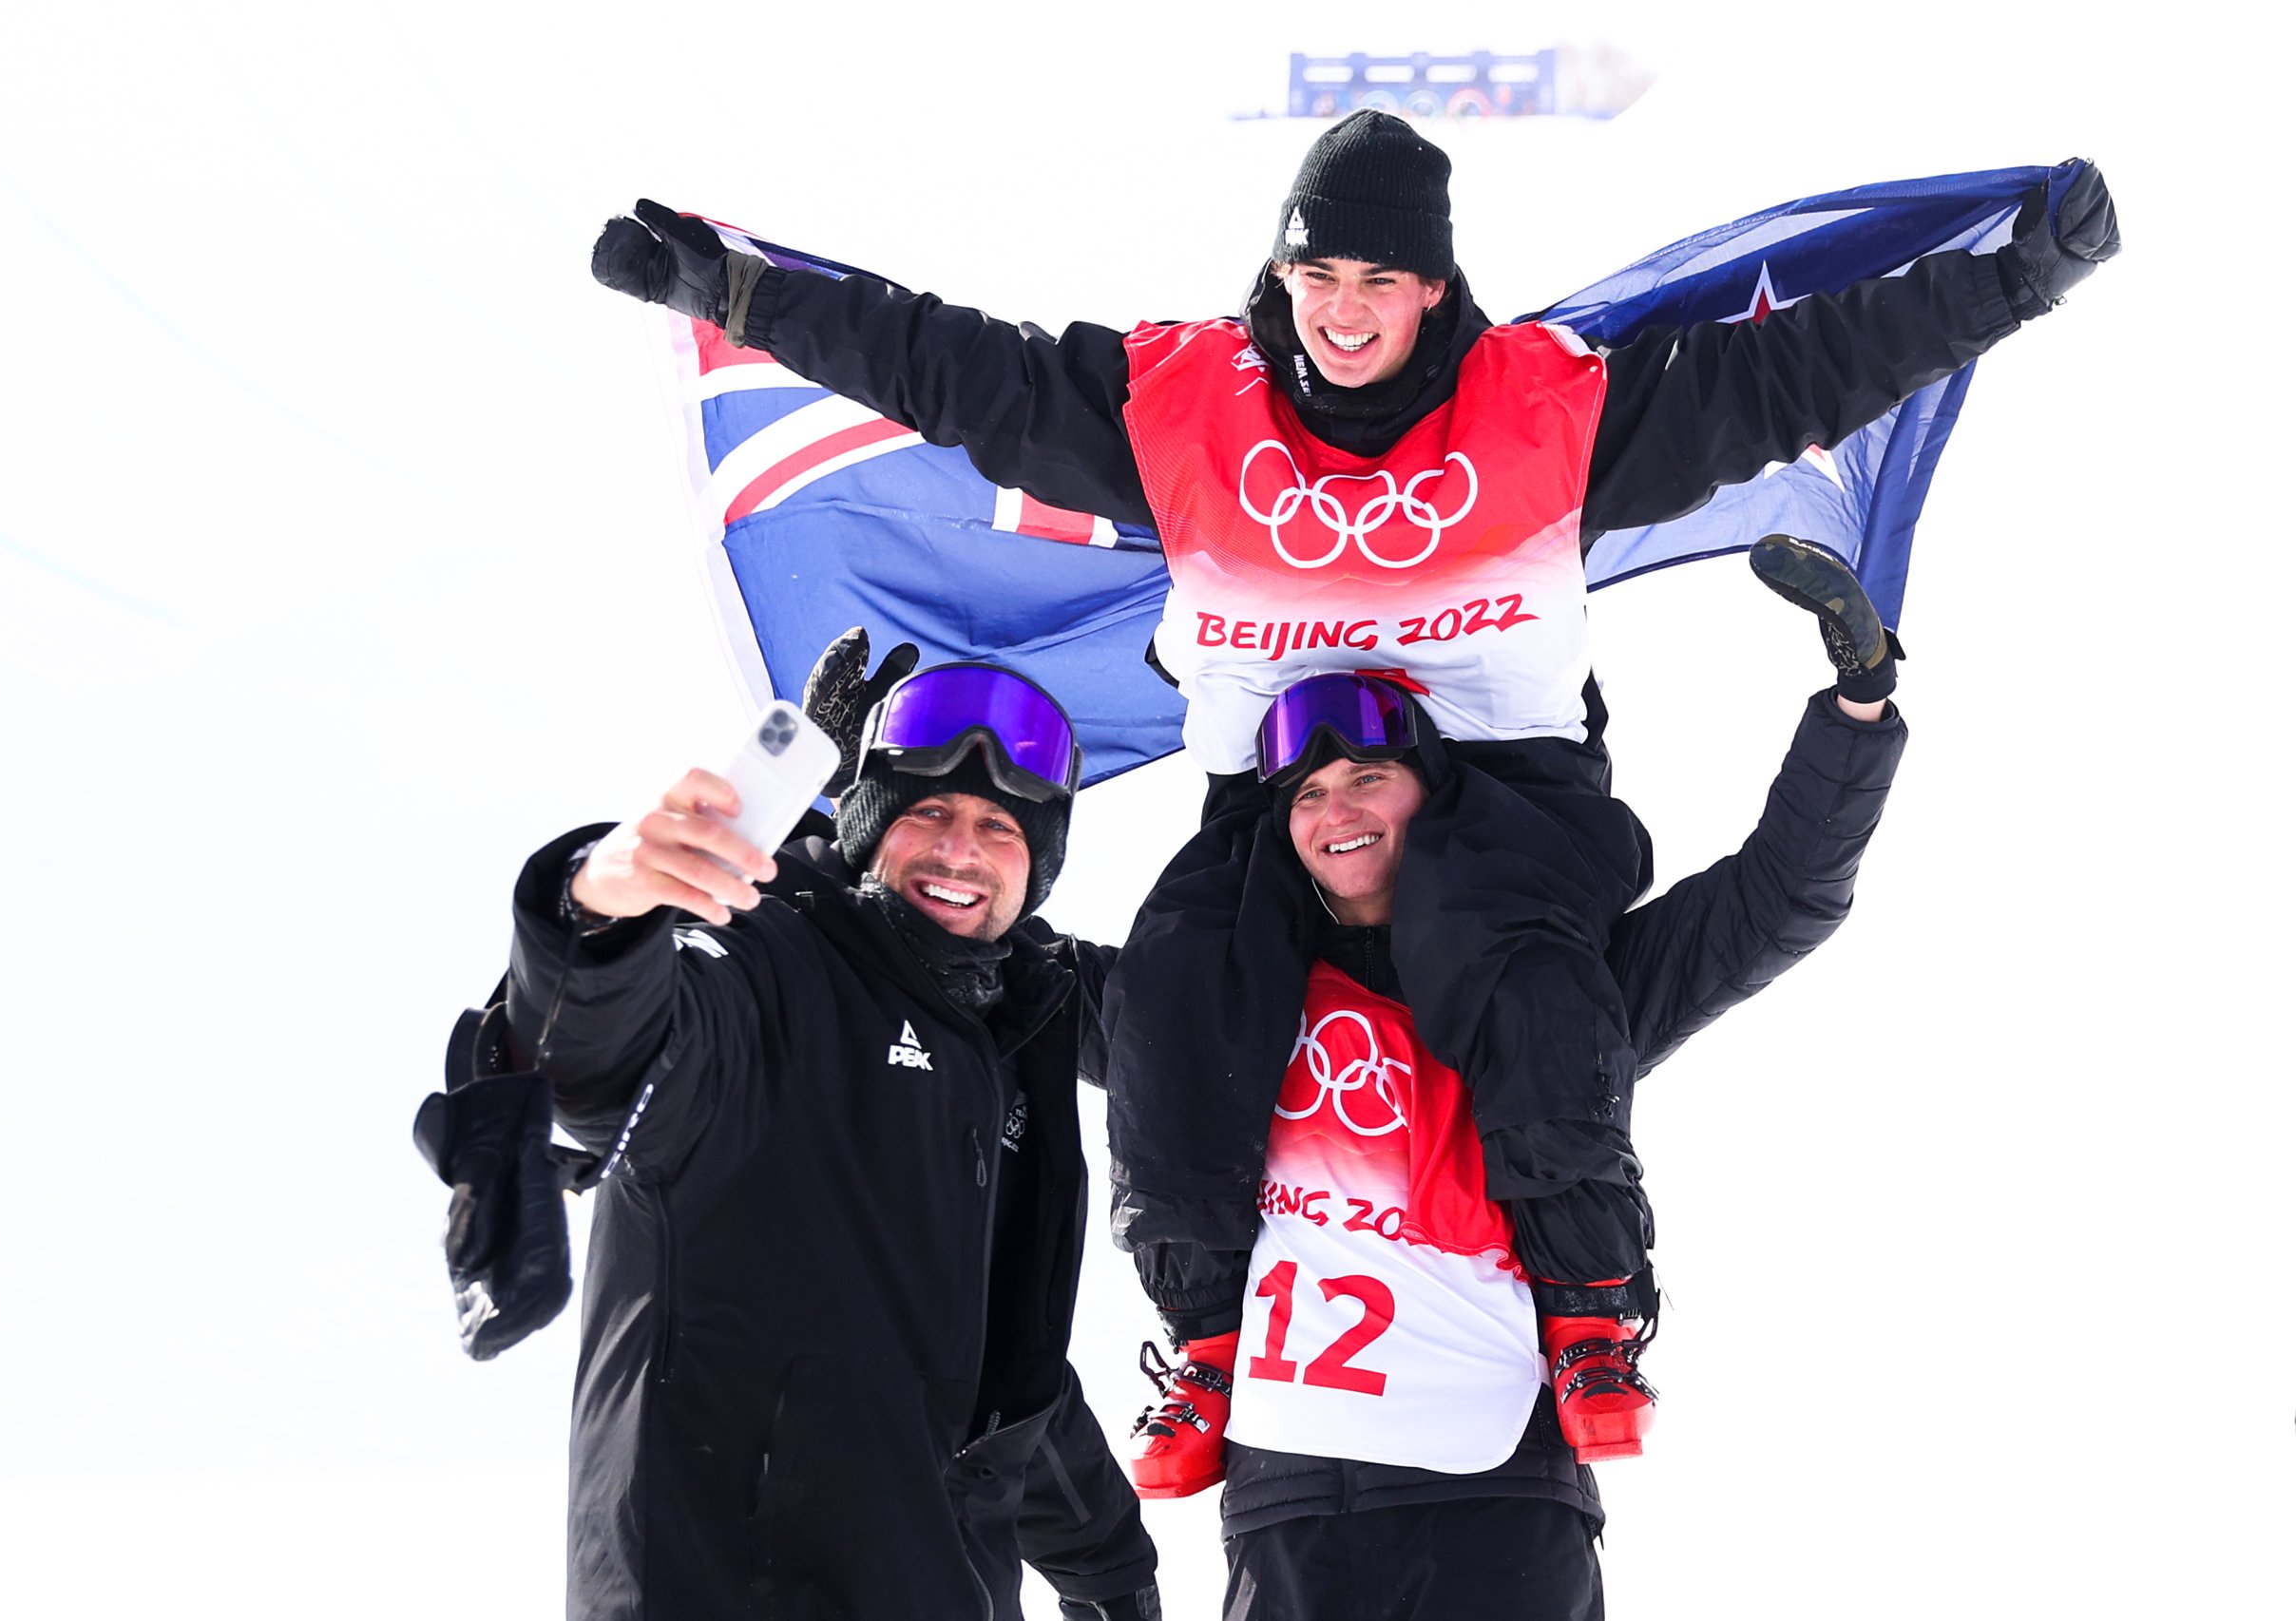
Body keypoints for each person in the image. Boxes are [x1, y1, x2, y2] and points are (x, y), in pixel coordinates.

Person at [586, 113, 2120, 1486]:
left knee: (1506, 961)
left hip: (1502, 797)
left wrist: (2018, 282)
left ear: (1435, 295)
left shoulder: (1550, 411)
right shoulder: (1185, 410)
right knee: (1187, 986)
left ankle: (1587, 1303)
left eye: (1378, 286)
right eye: (1319, 279)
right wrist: (734, 292)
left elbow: (1797, 369)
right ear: (1284, 280)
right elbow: (954, 366)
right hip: (1278, 797)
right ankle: (1202, 1334)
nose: (1344, 313)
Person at [1205, 536, 1912, 1619]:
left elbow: (1780, 899)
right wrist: (852, 829)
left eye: (1367, 777)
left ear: (1428, 794)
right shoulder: (1221, 1002)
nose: (1335, 809)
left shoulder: (1565, 984)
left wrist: (1855, 709)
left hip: (1500, 1493)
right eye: (1305, 792)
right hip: (1291, 1505)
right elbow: (1003, 976)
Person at [483, 654, 1158, 1620]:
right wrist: (597, 909)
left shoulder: (1004, 1045)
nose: (960, 849)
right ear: (866, 826)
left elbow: (998, 1370)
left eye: (998, 826)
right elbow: (605, 1071)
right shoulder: (764, 966)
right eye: (925, 812)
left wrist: (1110, 1567)